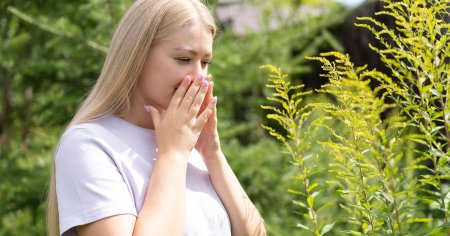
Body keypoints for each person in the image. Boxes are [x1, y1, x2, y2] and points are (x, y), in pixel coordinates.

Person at [46, 0, 266, 235]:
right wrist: (173, 154)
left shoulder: (188, 141)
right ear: (137, 56)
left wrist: (212, 154)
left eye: (205, 62)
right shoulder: (88, 145)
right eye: (184, 59)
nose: (199, 77)